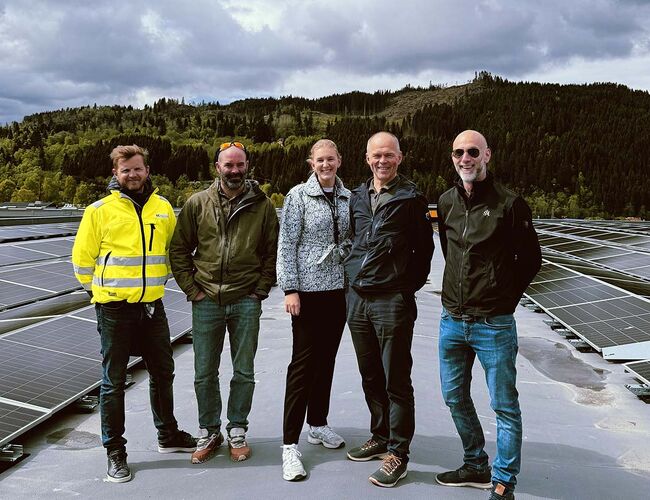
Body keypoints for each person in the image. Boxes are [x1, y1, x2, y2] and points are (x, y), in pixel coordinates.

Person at [72, 144, 196, 483]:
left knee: (163, 372)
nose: (132, 175)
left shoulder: (162, 207)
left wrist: (158, 284)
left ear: (147, 170)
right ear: (115, 173)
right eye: (125, 170)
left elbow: (174, 251)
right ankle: (115, 451)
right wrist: (101, 294)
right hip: (114, 309)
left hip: (153, 306)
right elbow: (82, 261)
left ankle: (167, 435)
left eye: (137, 168)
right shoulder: (99, 210)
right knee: (113, 382)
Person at [435, 130, 542, 500]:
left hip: (492, 324)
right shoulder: (446, 201)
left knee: (503, 405)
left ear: (487, 156)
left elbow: (531, 260)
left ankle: (503, 482)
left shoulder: (509, 204)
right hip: (452, 320)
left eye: (472, 151)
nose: (465, 158)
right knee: (453, 396)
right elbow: (450, 251)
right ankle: (475, 463)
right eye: (458, 152)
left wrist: (502, 300)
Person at [169, 141, 278, 464]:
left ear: (248, 166)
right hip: (206, 300)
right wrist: (193, 290)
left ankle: (237, 429)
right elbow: (179, 250)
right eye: (228, 165)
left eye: (239, 164)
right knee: (204, 371)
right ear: (217, 167)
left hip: (246, 299)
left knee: (243, 370)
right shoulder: (197, 203)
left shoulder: (262, 206)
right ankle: (209, 430)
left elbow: (272, 252)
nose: (234, 170)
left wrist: (259, 291)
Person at [344, 131, 434, 488]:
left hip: (391, 300)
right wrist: (352, 278)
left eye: (389, 155)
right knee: (370, 374)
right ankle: (380, 436)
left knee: (396, 378)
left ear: (400, 158)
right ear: (367, 159)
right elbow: (354, 240)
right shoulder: (357, 197)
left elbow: (424, 252)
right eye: (376, 155)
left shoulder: (411, 198)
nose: (382, 161)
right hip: (357, 298)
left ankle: (398, 452)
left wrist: (402, 288)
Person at [276, 139, 351, 481]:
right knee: (303, 365)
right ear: (311, 163)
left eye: (330, 159)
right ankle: (289, 445)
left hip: (337, 291)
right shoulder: (298, 197)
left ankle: (318, 423)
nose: (325, 165)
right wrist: (290, 288)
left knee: (326, 360)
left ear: (339, 161)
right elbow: (287, 244)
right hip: (306, 292)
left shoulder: (347, 197)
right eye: (320, 160)